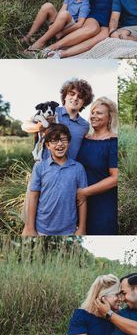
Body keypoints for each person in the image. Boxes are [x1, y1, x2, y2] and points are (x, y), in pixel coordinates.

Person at [21, 124, 87, 236]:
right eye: (55, 141)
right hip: (42, 228)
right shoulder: (40, 167)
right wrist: (31, 228)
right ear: (47, 145)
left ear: (69, 143)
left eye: (64, 140)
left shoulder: (78, 168)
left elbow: (83, 200)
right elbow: (33, 197)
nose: (60, 144)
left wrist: (82, 228)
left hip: (69, 230)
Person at [44, 0, 122, 59]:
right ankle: (52, 47)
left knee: (102, 37)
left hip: (106, 24)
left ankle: (62, 54)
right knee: (93, 28)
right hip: (93, 17)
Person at [22, 78, 94, 161]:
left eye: (80, 96)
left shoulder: (85, 125)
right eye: (72, 94)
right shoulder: (50, 112)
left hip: (70, 170)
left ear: (84, 102)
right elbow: (24, 126)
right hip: (46, 168)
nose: (75, 98)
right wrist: (39, 127)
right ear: (65, 97)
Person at [77, 97, 118, 235]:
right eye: (92, 112)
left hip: (103, 204)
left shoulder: (113, 142)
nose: (94, 116)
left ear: (110, 117)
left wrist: (85, 193)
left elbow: (115, 178)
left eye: (99, 113)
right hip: (78, 203)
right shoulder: (84, 139)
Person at [21, 0, 97, 51]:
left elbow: (79, 24)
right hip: (60, 21)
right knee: (47, 6)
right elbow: (61, 10)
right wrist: (53, 24)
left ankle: (41, 42)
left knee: (65, 14)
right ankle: (29, 36)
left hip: (68, 26)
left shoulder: (85, 4)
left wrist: (62, 32)